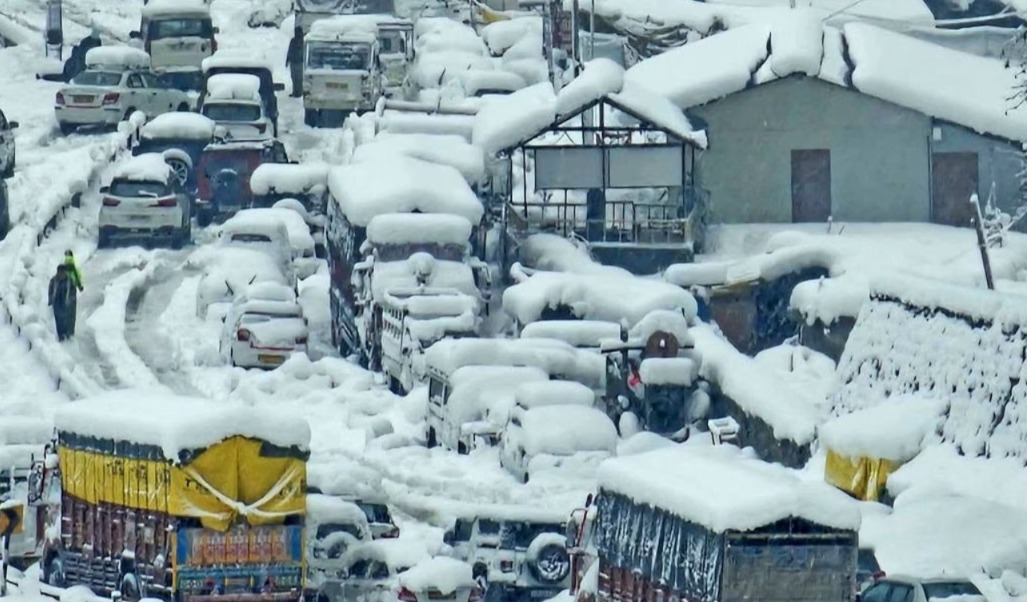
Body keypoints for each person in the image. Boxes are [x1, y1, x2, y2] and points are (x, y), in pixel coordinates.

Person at [47, 264, 77, 341]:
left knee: (68, 322)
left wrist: (70, 303)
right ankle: (60, 336)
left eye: (63, 272)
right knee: (58, 321)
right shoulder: (53, 281)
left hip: (68, 307)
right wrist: (50, 302)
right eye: (59, 272)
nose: (61, 274)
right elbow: (50, 292)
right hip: (57, 306)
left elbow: (73, 294)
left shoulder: (70, 282)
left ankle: (68, 336)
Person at [286, 25, 304, 98]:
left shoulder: (303, 40)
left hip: (299, 62)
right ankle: (295, 92)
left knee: (298, 78)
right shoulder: (293, 40)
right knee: (294, 78)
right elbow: (289, 50)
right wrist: (287, 60)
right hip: (294, 61)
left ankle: (299, 92)